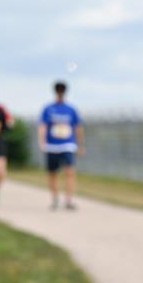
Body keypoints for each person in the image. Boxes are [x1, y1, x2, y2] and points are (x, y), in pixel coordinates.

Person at [38, 81, 84, 210]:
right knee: (53, 173)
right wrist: (41, 142)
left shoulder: (71, 110)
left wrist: (80, 145)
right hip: (52, 146)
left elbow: (78, 127)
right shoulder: (48, 109)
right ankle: (55, 199)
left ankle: (68, 200)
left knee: (70, 172)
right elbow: (43, 126)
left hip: (67, 144)